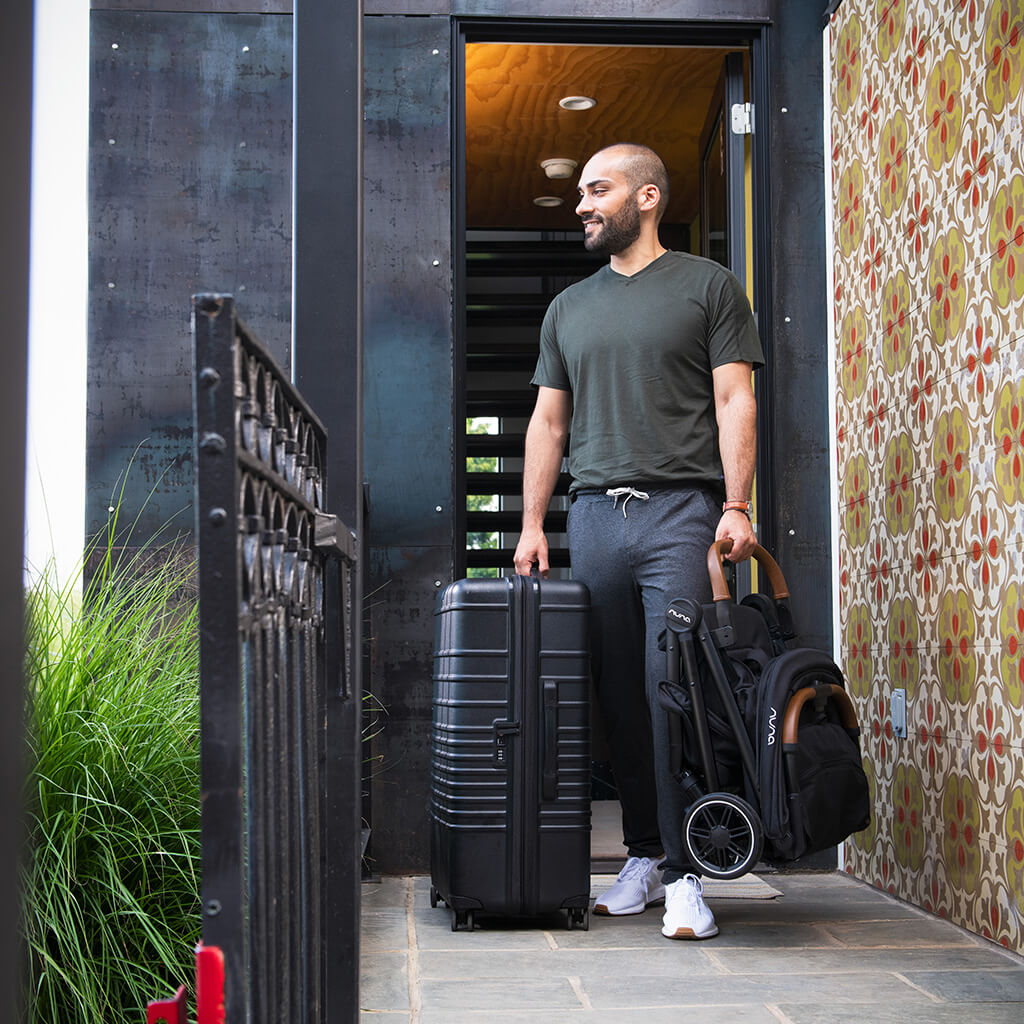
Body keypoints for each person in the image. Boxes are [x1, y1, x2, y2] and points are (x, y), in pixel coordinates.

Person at [513, 143, 763, 940]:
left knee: (674, 684)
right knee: (619, 693)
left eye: (598, 190)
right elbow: (549, 421)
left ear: (646, 196)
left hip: (680, 515)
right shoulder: (569, 308)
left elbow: (735, 400)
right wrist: (530, 525)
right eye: (581, 192)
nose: (582, 205)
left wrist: (735, 505)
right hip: (594, 518)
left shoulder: (708, 287)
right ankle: (646, 858)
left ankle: (692, 872)